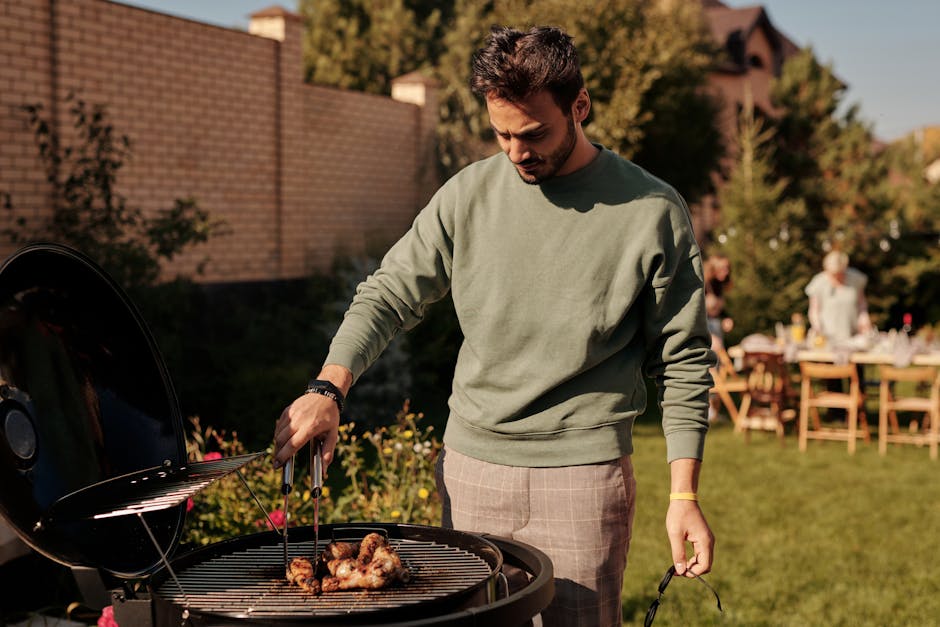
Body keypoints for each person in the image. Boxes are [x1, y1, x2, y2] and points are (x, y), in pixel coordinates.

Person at [274, 25, 715, 627]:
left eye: (533, 134)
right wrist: (328, 387)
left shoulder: (651, 210)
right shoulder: (469, 196)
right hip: (472, 470)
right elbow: (389, 293)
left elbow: (685, 355)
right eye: (501, 133)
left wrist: (684, 494)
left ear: (579, 106)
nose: (516, 152)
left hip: (583, 477)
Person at [805, 250, 872, 344]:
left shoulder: (856, 279)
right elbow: (814, 310)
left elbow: (862, 304)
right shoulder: (818, 283)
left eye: (839, 273)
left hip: (852, 334)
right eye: (833, 274)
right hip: (827, 336)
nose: (836, 276)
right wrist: (817, 327)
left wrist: (864, 318)